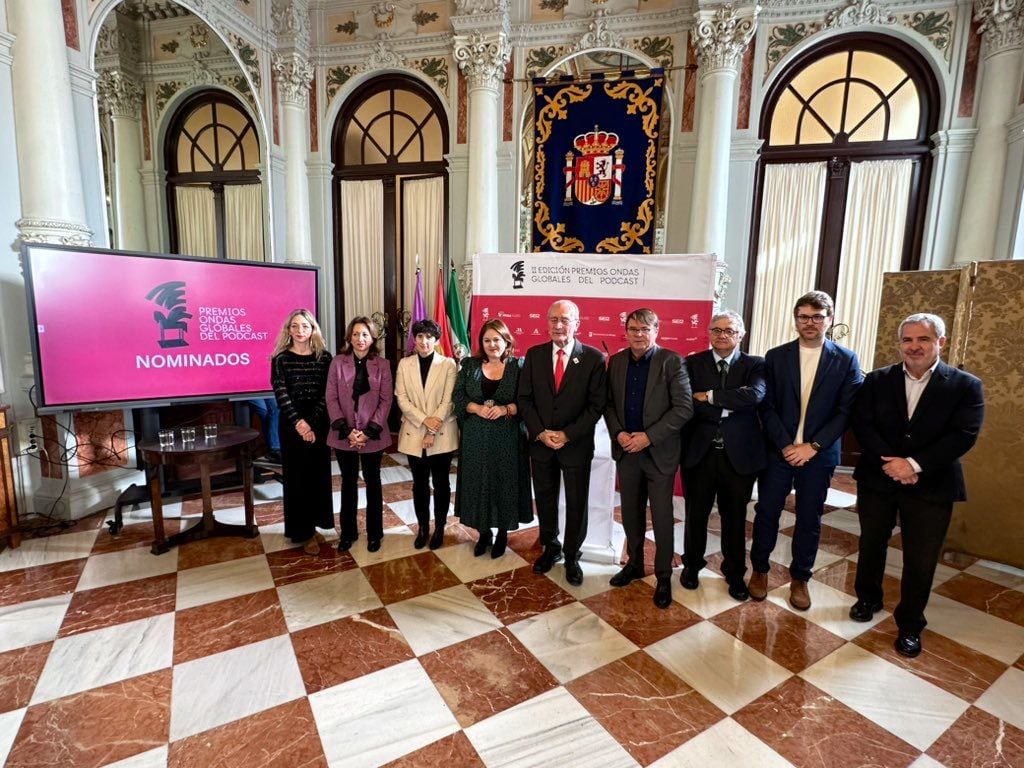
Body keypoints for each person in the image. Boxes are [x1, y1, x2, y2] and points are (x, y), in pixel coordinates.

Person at [848, 313, 984, 657]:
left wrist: (913, 464)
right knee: (872, 544)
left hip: (932, 484)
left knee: (921, 559)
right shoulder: (877, 380)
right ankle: (868, 599)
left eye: (923, 339)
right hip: (879, 479)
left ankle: (910, 624)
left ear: (941, 342)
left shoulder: (965, 385)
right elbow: (862, 424)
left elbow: (964, 435)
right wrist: (893, 463)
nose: (914, 346)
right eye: (907, 340)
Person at [748, 291, 863, 610]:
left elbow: (846, 411)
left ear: (829, 318)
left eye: (816, 317)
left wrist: (813, 446)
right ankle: (759, 570)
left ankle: (801, 578)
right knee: (767, 511)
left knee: (810, 517)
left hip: (818, 454)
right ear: (796, 319)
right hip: (779, 451)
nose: (809, 323)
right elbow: (766, 406)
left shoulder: (846, 359)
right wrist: (786, 444)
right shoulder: (776, 356)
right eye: (803, 316)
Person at [605, 308, 692, 608]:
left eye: (645, 329)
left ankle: (664, 576)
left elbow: (683, 408)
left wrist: (648, 436)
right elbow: (608, 404)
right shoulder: (615, 361)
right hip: (627, 451)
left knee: (663, 517)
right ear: (625, 331)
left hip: (658, 453)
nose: (638, 334)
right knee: (630, 512)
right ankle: (634, 564)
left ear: (657, 330)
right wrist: (618, 433)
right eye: (633, 329)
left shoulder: (672, 361)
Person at [518, 299, 606, 586]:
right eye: (553, 319)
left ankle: (571, 556)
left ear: (577, 324)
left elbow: (596, 406)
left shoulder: (593, 359)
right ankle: (550, 547)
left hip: (575, 445)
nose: (558, 325)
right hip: (541, 444)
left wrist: (567, 434)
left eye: (564, 320)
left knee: (577, 502)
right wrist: (541, 432)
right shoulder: (534, 354)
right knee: (544, 498)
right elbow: (524, 399)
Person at [681, 310, 766, 602]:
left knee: (735, 517)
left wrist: (711, 396)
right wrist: (732, 401)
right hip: (699, 453)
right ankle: (691, 565)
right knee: (695, 515)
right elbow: (688, 403)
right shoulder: (692, 363)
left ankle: (734, 573)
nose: (722, 335)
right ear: (708, 333)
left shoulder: (756, 364)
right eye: (716, 330)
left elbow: (754, 397)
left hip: (739, 456)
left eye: (729, 330)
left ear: (740, 335)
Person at [454, 319, 532, 557]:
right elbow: (458, 397)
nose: (491, 345)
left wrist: (506, 409)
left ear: (506, 340)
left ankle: (502, 535)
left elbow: (528, 401)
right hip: (476, 437)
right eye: (487, 340)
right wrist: (475, 408)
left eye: (496, 339)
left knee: (503, 483)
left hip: (507, 438)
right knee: (478, 482)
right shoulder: (469, 365)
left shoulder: (518, 366)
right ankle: (484, 533)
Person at [326, 316, 394, 553]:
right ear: (349, 337)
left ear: (372, 337)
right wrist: (347, 431)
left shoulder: (382, 365)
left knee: (373, 483)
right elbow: (331, 398)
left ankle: (375, 533)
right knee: (348, 483)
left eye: (364, 334)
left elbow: (386, 401)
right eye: (355, 334)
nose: (360, 339)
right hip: (344, 434)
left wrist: (366, 432)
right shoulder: (337, 363)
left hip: (372, 434)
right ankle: (348, 532)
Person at [270, 309, 335, 555]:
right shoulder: (280, 359)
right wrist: (299, 423)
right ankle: (303, 532)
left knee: (316, 477)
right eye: (295, 326)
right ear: (289, 330)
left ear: (312, 330)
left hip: (318, 424)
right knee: (297, 480)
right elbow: (281, 393)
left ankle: (315, 525)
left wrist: (310, 422)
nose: (300, 331)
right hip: (291, 425)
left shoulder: (325, 358)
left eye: (305, 326)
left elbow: (327, 394)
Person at [395, 320, 459, 550]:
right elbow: (402, 398)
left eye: (429, 337)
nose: (424, 341)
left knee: (441, 483)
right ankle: (423, 527)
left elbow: (448, 400)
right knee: (419, 483)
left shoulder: (449, 364)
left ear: (437, 340)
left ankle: (440, 527)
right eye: (420, 336)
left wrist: (432, 429)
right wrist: (424, 422)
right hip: (414, 431)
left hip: (442, 432)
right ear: (415, 339)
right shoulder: (404, 364)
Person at [248, 397, 281, 462]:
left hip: (268, 390)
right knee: (264, 412)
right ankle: (274, 449)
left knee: (275, 408)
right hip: (251, 390)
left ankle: (274, 448)